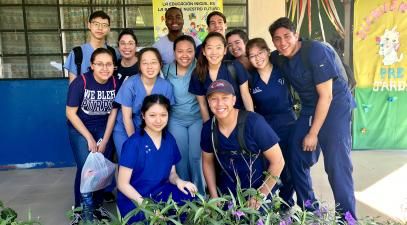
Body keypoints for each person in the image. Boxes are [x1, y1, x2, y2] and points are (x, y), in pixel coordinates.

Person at [269, 17, 357, 218]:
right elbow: (257, 58)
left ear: (296, 35)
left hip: (334, 106)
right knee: (295, 156)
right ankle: (310, 210)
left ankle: (348, 219)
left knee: (336, 165)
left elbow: (326, 96)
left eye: (287, 36)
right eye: (277, 39)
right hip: (310, 107)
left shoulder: (315, 51)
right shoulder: (279, 57)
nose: (283, 42)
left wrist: (313, 133)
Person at [201, 79, 285, 209]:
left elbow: (278, 161)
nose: (219, 104)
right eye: (214, 99)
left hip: (257, 190)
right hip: (227, 194)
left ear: (234, 100)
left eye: (225, 98)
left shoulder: (254, 122)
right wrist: (213, 196)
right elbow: (207, 161)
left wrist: (260, 195)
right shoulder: (209, 129)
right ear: (208, 102)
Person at [117, 94, 197, 223]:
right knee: (151, 219)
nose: (158, 120)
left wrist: (179, 181)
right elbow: (122, 184)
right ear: (143, 115)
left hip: (160, 192)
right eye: (152, 115)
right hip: (135, 197)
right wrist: (147, 206)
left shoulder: (169, 140)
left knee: (189, 197)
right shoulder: (133, 143)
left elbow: (172, 174)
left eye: (163, 115)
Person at [66, 48, 117, 224]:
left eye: (109, 64)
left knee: (101, 168)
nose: (105, 68)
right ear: (92, 65)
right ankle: (81, 209)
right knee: (86, 168)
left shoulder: (115, 83)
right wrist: (88, 137)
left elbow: (112, 114)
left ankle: (96, 206)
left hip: (102, 127)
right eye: (100, 64)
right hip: (80, 128)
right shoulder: (81, 83)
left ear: (114, 66)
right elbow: (71, 113)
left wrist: (106, 139)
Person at [246, 37, 296, 209]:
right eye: (252, 56)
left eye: (260, 53)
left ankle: (286, 204)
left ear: (268, 52)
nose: (257, 58)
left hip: (288, 123)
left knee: (288, 167)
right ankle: (267, 203)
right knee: (269, 166)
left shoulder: (282, 70)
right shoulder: (251, 79)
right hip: (265, 127)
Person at [162, 35, 205, 195]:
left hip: (197, 119)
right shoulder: (166, 71)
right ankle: (184, 196)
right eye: (180, 51)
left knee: (196, 157)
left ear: (195, 52)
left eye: (189, 51)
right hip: (175, 120)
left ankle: (200, 195)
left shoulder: (200, 68)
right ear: (174, 53)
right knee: (180, 158)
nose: (184, 55)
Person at [112, 47, 174, 158]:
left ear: (160, 64)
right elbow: (127, 118)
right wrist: (135, 143)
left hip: (152, 128)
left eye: (154, 62)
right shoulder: (130, 84)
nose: (149, 67)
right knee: (130, 159)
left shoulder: (166, 86)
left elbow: (166, 116)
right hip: (125, 128)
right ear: (139, 66)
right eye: (145, 63)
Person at [189, 32, 254, 123]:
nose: (214, 52)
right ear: (203, 51)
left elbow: (246, 95)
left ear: (225, 50)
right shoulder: (197, 73)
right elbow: (202, 104)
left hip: (240, 121)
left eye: (218, 48)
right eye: (209, 48)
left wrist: (252, 120)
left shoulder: (235, 66)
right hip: (216, 123)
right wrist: (208, 127)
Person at [64, 11, 114, 83]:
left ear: (109, 29)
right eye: (96, 24)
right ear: (89, 25)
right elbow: (72, 85)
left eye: (104, 25)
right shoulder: (77, 53)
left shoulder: (113, 52)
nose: (100, 28)